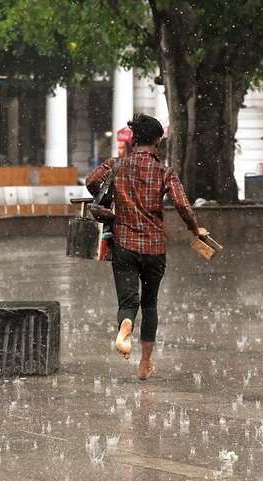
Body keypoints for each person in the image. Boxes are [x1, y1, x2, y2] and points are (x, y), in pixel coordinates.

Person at [85, 113, 207, 381]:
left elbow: (91, 181)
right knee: (150, 304)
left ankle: (125, 325)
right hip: (154, 248)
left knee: (128, 301)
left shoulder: (117, 166)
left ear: (135, 139)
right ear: (157, 141)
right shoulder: (164, 172)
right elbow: (183, 205)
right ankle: (145, 363)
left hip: (124, 244)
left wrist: (114, 199)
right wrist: (195, 228)